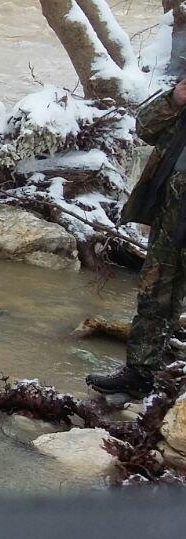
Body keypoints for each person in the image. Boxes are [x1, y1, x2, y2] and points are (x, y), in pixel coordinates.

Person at [87, 78, 186, 397]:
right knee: (155, 290)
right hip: (171, 214)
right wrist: (174, 99)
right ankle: (141, 374)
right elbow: (144, 127)